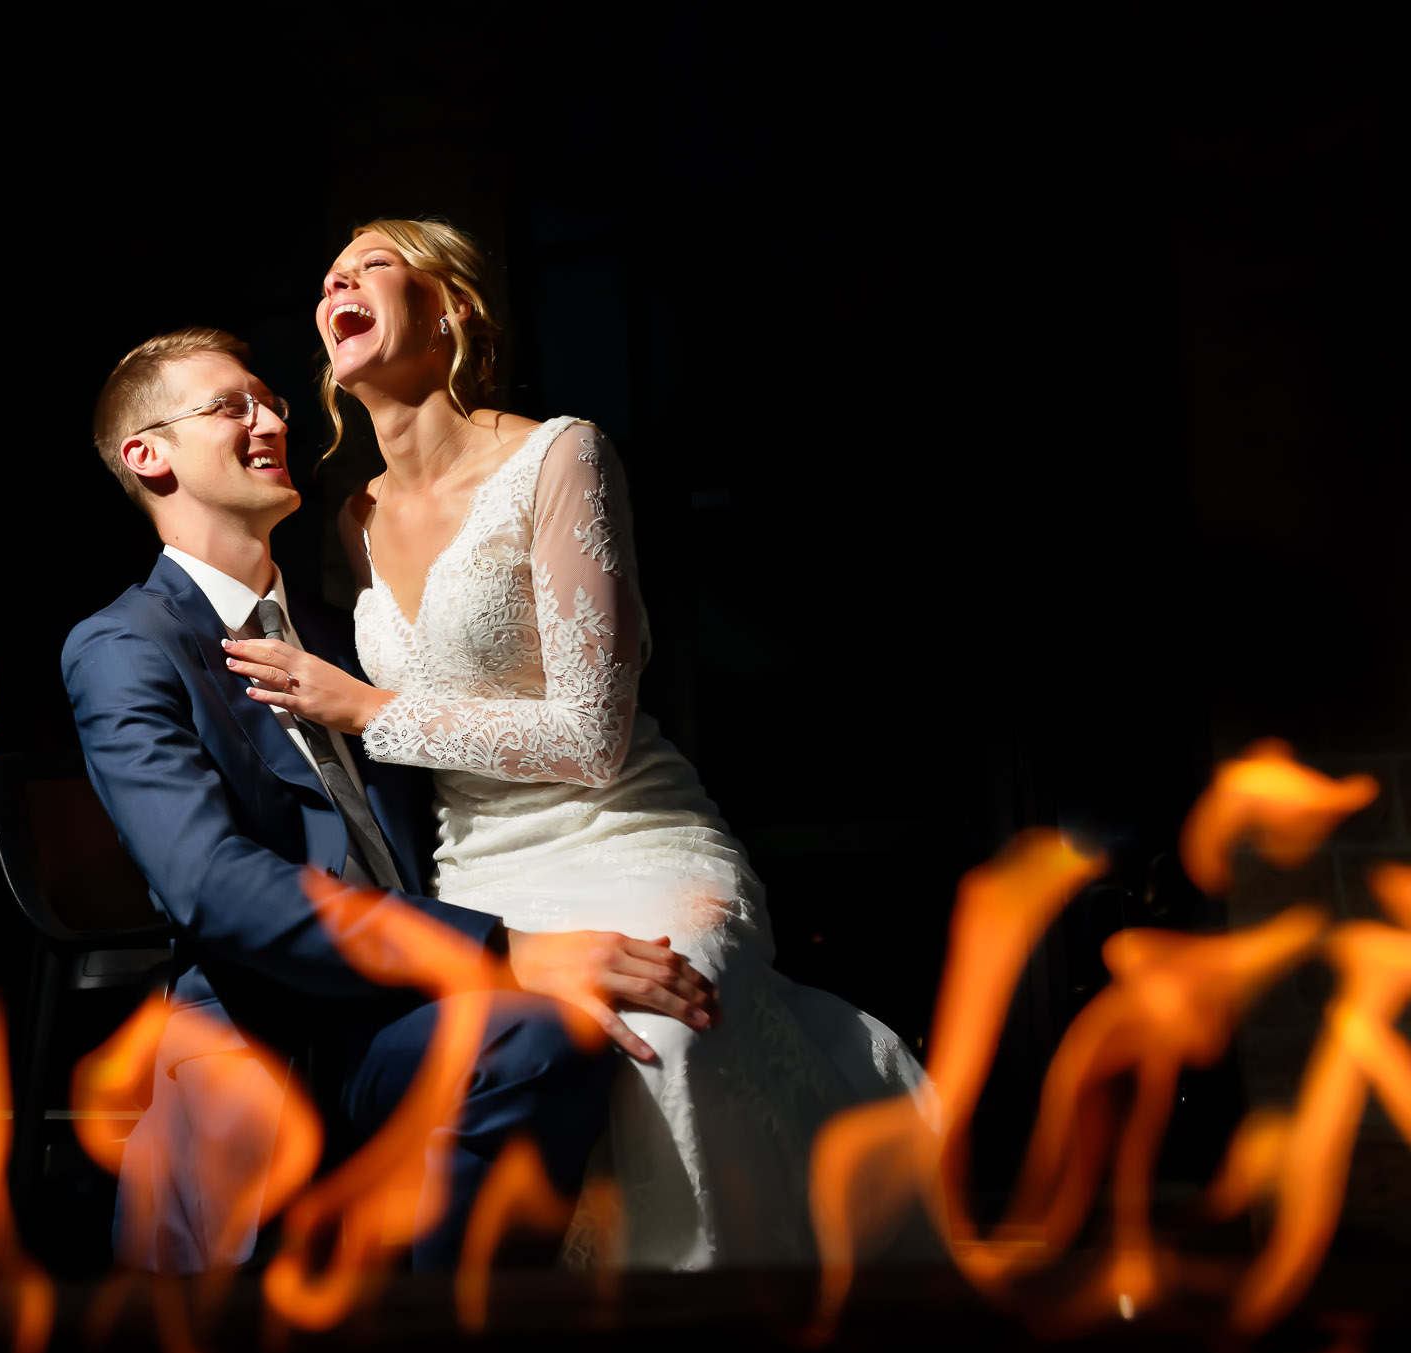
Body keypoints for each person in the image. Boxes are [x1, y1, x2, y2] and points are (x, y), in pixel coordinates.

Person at [219, 221, 931, 1268]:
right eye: (329, 276)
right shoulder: (353, 518)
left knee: (662, 1031)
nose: (339, 282)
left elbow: (592, 739)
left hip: (627, 833)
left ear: (451, 309)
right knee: (542, 1050)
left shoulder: (561, 455)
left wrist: (369, 710)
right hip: (481, 872)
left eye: (374, 264)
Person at [64, 326, 721, 1274]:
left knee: (564, 1033)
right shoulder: (124, 644)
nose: (271, 420)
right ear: (147, 455)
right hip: (268, 1026)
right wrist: (500, 949)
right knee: (543, 1025)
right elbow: (210, 883)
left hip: (407, 1009)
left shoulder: (350, 638)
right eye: (230, 406)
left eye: (271, 402)